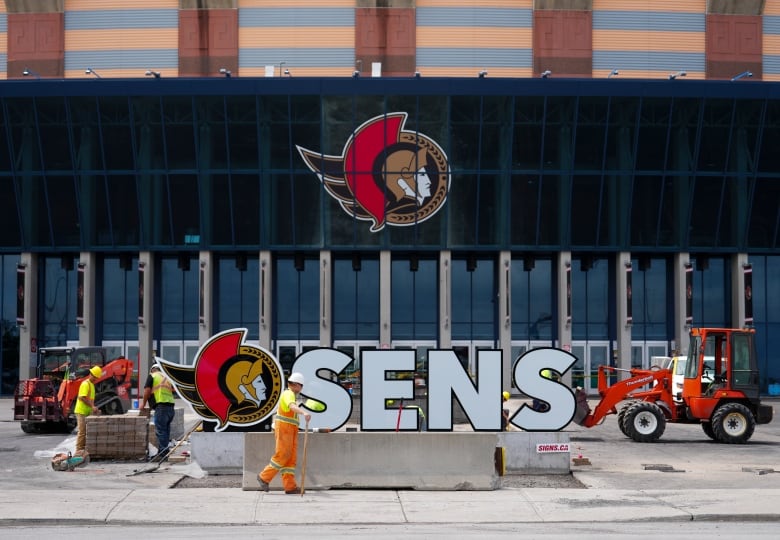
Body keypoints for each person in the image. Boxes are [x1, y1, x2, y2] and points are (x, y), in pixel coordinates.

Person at [257, 372, 311, 494]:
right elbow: (291, 406)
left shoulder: (291, 394)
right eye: (301, 386)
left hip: (290, 430)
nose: (301, 389)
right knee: (282, 455)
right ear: (297, 385)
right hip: (284, 429)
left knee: (290, 458)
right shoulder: (288, 394)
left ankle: (290, 486)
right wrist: (304, 413)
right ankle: (263, 477)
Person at [140, 364, 176, 460]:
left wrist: (143, 404)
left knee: (160, 431)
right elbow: (174, 390)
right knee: (165, 431)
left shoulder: (152, 376)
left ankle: (163, 454)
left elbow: (147, 391)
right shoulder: (167, 378)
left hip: (161, 407)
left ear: (152, 370)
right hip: (171, 407)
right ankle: (164, 452)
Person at [74, 365, 102, 453]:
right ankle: (79, 451)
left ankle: (83, 450)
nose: (96, 379)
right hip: (81, 411)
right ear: (92, 375)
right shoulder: (85, 384)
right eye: (95, 377)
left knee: (87, 432)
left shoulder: (92, 386)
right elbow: (82, 397)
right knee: (82, 432)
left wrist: (94, 409)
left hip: (87, 411)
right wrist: (92, 407)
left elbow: (91, 400)